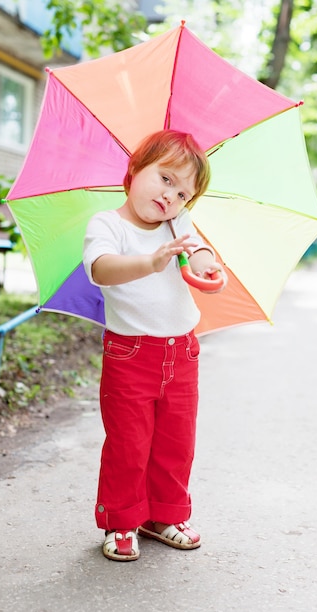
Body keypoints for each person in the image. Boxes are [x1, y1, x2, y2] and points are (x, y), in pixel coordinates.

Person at [83, 129, 227, 561]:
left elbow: (198, 248)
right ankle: (122, 519)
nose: (172, 197)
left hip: (181, 352)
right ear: (134, 171)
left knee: (175, 441)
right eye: (166, 179)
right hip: (130, 354)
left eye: (184, 193)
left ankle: (163, 515)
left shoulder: (176, 224)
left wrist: (207, 265)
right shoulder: (107, 225)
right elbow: (102, 269)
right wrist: (150, 261)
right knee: (129, 443)